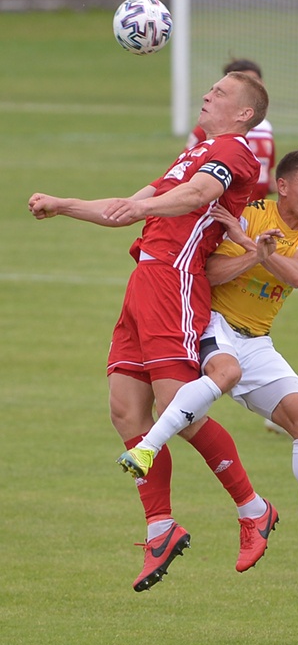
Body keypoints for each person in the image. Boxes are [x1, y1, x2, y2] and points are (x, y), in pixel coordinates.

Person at [28, 72, 279, 590]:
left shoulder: (236, 151)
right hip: (143, 282)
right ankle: (161, 527)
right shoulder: (194, 153)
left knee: (176, 410)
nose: (208, 94)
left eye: (221, 91)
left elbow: (197, 195)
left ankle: (254, 509)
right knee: (125, 409)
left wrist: (143, 207)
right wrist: (64, 205)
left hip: (176, 283)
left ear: (244, 114)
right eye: (210, 87)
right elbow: (128, 207)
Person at [118, 150, 298, 563]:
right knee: (225, 371)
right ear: (282, 186)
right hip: (214, 324)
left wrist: (253, 249)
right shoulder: (249, 214)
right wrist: (254, 250)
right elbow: (207, 274)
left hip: (259, 339)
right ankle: (148, 448)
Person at [187, 57, 282, 436]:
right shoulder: (205, 134)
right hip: (222, 222)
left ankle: (225, 377)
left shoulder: (263, 133)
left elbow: (269, 179)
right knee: (218, 301)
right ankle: (207, 368)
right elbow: (191, 173)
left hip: (249, 221)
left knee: (252, 307)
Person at [186, 58, 276, 202]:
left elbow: (267, 175)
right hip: (224, 211)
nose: (253, 86)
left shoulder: (265, 129)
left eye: (255, 80)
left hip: (255, 212)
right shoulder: (207, 129)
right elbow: (185, 171)